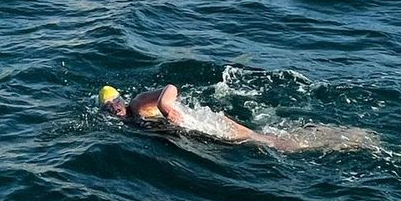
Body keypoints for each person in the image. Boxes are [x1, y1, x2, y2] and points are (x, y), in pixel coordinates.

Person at [99, 84, 303, 151]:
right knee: (252, 144)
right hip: (193, 135)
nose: (114, 108)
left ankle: (324, 140)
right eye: (108, 107)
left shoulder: (138, 103)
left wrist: (165, 106)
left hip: (202, 123)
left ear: (122, 99)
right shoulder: (125, 125)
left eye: (116, 101)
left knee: (268, 142)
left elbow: (171, 88)